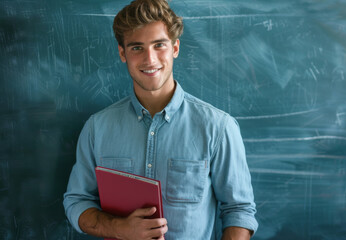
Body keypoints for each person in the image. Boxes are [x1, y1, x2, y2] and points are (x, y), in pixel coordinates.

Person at [63, 0, 258, 239]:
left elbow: (239, 211)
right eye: (137, 48)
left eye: (159, 45)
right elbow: (77, 201)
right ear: (122, 53)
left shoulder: (218, 127)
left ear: (175, 48)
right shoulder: (97, 128)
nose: (150, 59)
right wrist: (120, 228)